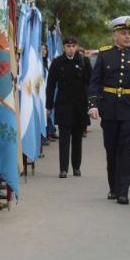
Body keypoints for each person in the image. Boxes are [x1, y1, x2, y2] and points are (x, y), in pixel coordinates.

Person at [88, 17, 130, 205]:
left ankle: (123, 190)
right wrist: (93, 105)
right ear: (114, 35)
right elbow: (95, 82)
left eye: (129, 33)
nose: (127, 36)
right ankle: (113, 187)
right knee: (111, 149)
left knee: (126, 150)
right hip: (109, 108)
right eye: (123, 33)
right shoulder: (105, 54)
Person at [46, 36, 91, 178]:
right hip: (64, 105)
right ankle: (63, 169)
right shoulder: (57, 62)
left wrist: (92, 104)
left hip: (80, 105)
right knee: (64, 139)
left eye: (73, 46)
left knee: (77, 138)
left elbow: (90, 83)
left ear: (76, 47)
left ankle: (76, 167)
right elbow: (51, 85)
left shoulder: (84, 61)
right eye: (68, 46)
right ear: (63, 47)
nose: (70, 49)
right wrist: (49, 106)